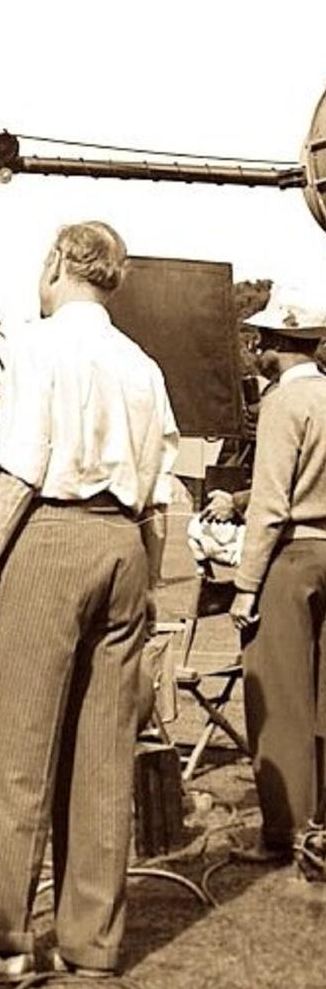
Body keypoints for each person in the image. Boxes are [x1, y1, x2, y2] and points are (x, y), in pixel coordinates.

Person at [0, 222, 177, 984]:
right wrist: (146, 581)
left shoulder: (38, 344)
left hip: (55, 534)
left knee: (16, 747)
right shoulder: (142, 364)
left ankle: (4, 945)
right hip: (126, 543)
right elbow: (160, 494)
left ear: (55, 264)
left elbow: (20, 468)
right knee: (104, 754)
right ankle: (92, 943)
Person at [227, 285, 326, 865]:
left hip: (292, 556)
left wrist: (245, 586)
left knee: (281, 699)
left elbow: (268, 504)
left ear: (274, 343)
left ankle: (285, 831)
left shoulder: (283, 404)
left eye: (261, 339)